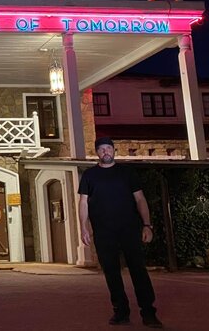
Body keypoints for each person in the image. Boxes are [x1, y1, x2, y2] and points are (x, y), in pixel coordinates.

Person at [79, 137, 163, 328]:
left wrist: (147, 225)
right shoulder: (90, 175)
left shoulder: (126, 173)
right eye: (102, 149)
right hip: (103, 232)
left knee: (138, 270)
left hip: (129, 229)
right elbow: (83, 202)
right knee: (111, 273)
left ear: (114, 150)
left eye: (109, 148)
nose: (105, 151)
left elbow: (140, 199)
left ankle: (148, 313)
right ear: (97, 152)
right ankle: (121, 312)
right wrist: (84, 227)